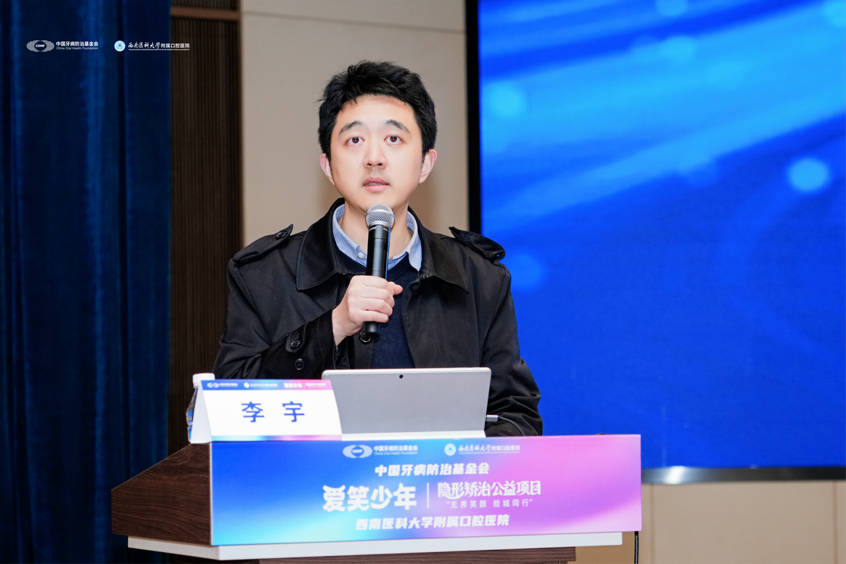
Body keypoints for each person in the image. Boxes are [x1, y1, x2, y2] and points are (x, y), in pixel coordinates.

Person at [213, 61, 541, 436]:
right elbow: (230, 411)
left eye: (394, 139)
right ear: (328, 166)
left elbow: (516, 415)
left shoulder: (480, 278)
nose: (374, 158)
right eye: (354, 140)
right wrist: (332, 327)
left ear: (425, 164)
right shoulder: (264, 276)